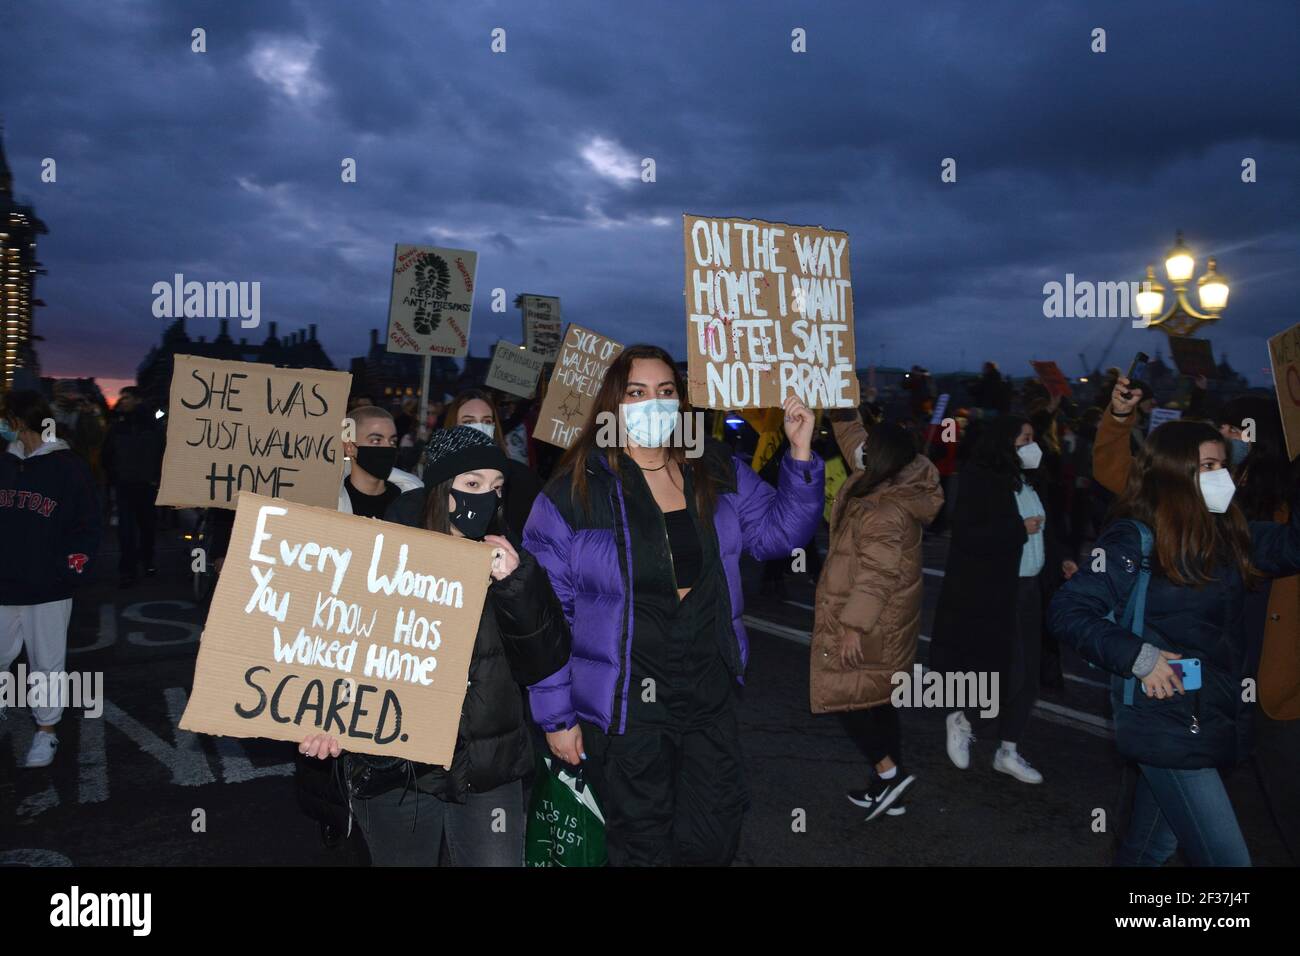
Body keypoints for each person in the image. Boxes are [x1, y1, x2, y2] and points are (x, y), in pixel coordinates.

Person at [524, 345, 824, 865]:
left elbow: (780, 536)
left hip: (707, 693)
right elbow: (544, 616)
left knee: (713, 833)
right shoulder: (573, 492)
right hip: (627, 707)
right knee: (640, 843)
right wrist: (556, 718)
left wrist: (800, 454)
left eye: (665, 392)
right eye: (636, 393)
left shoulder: (715, 468)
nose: (653, 404)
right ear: (612, 405)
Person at [300, 426, 571, 866]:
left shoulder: (510, 561)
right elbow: (344, 648)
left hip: (487, 768)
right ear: (442, 488)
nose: (487, 497)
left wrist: (517, 586)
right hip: (397, 770)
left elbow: (542, 661)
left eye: (496, 487)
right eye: (472, 484)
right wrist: (330, 716)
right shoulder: (383, 556)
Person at [1049, 420, 1300, 865]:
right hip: (1165, 718)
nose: (1221, 476)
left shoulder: (1230, 534)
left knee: (1150, 848)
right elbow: (1069, 610)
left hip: (1210, 717)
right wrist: (1139, 658)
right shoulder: (1135, 538)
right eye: (1207, 466)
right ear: (1174, 473)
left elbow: (1295, 546)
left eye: (1222, 465)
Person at [929, 415, 1077, 784]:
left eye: (1032, 437)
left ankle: (1008, 751)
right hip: (995, 592)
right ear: (1003, 443)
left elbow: (1047, 530)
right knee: (1003, 674)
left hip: (1030, 591)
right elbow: (968, 535)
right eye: (1023, 438)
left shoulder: (1029, 482)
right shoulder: (982, 480)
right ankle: (964, 719)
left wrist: (1063, 559)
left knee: (1028, 679)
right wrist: (1017, 529)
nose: (1032, 445)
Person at [813, 413, 943, 819]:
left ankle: (889, 773)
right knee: (877, 698)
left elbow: (876, 575)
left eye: (870, 447)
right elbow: (854, 439)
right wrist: (841, 409)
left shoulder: (885, 507)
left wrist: (853, 627)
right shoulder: (900, 477)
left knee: (843, 696)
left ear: (882, 457)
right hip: (890, 623)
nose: (861, 450)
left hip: (871, 621)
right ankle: (891, 788)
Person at [0, 390, 102, 767]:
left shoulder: (67, 466)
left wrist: (69, 568)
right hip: (5, 583)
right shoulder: (5, 464)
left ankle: (47, 732)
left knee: (46, 663)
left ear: (17, 421)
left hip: (47, 587)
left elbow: (88, 524)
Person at [444, 388, 543, 535]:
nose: (479, 428)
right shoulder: (439, 480)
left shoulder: (520, 479)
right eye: (469, 421)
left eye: (487, 421)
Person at [101, 387, 165, 587]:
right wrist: (115, 475)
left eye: (127, 397)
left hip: (145, 484)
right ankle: (129, 569)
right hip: (127, 485)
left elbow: (163, 452)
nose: (123, 401)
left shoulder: (152, 426)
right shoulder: (119, 426)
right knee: (127, 530)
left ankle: (145, 561)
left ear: (137, 400)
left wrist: (156, 477)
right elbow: (107, 454)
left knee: (146, 527)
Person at [337, 405, 422, 517]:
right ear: (350, 447)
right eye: (376, 441)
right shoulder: (332, 502)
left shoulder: (410, 502)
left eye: (392, 441)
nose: (388, 447)